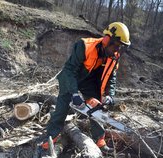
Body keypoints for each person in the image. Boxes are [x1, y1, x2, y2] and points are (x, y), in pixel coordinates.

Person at [41, 22, 131, 153]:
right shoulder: (85, 46)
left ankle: (100, 141)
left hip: (90, 82)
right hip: (71, 78)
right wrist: (74, 93)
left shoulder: (114, 57)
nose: (117, 50)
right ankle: (50, 138)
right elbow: (69, 70)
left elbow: (112, 77)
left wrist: (110, 95)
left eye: (121, 47)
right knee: (62, 108)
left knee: (98, 109)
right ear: (107, 40)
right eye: (116, 46)